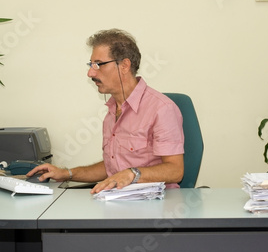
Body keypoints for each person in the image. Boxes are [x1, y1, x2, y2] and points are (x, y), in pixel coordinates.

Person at [27, 29, 184, 193]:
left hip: (155, 203)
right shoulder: (112, 110)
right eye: (90, 65)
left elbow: (175, 171)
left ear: (124, 65)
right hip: (119, 200)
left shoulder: (162, 109)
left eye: (98, 64)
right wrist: (66, 173)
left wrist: (132, 174)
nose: (90, 73)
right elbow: (114, 168)